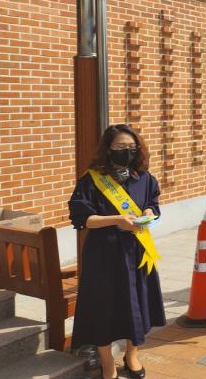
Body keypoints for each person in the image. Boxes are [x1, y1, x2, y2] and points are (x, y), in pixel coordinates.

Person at [69, 124, 165, 379]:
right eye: (121, 147)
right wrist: (116, 220)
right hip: (104, 253)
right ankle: (106, 361)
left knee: (138, 302)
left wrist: (148, 213)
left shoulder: (144, 178)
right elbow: (82, 218)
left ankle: (132, 354)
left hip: (137, 250)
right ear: (108, 150)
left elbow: (154, 205)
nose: (127, 152)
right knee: (104, 307)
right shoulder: (91, 179)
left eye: (132, 148)